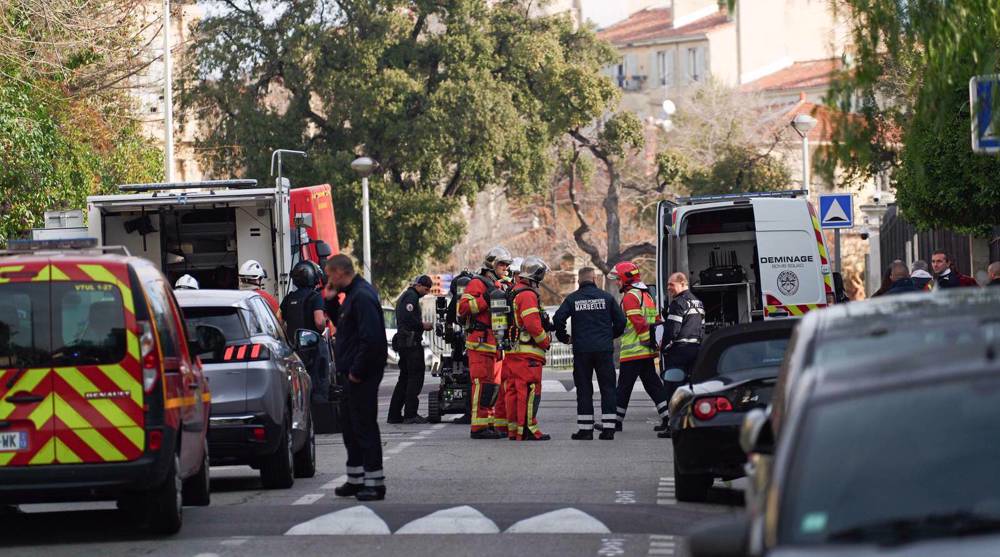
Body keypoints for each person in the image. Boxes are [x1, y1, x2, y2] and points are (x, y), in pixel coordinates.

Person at [324, 255, 388, 501]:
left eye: (330, 274)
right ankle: (356, 478)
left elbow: (370, 339)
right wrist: (330, 304)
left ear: (340, 272)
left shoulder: (361, 296)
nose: (329, 279)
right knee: (350, 427)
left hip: (362, 375)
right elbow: (346, 328)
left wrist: (357, 372)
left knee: (364, 426)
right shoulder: (352, 296)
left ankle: (374, 482)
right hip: (352, 373)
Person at [554, 267, 627, 440]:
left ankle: (585, 430)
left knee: (584, 389)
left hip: (582, 351)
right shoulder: (607, 297)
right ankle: (609, 429)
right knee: (608, 388)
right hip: (603, 349)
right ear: (594, 278)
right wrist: (610, 335)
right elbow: (621, 321)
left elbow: (558, 318)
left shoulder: (572, 299)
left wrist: (564, 337)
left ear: (579, 281)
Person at [457, 246, 512, 439]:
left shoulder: (500, 285)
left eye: (507, 265)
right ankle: (478, 428)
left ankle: (488, 423)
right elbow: (462, 308)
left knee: (493, 386)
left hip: (496, 343)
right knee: (481, 384)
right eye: (502, 264)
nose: (506, 268)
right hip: (480, 343)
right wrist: (485, 299)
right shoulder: (477, 283)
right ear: (492, 264)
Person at [610, 261, 670, 433]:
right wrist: (653, 344)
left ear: (625, 279)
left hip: (634, 352)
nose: (616, 282)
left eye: (618, 279)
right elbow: (656, 319)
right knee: (653, 385)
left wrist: (644, 339)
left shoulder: (630, 296)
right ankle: (667, 417)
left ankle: (615, 421)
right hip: (646, 351)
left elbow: (638, 321)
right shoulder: (647, 295)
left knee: (624, 387)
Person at [504, 256, 552, 441]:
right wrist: (545, 341)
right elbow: (532, 325)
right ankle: (528, 429)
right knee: (530, 391)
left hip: (513, 352)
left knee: (514, 391)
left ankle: (514, 430)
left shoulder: (513, 291)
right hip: (528, 354)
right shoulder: (527, 295)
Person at [657, 272, 705, 438]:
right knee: (690, 388)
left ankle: (673, 426)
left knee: (673, 388)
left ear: (682, 283)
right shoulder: (698, 302)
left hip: (679, 351)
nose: (669, 288)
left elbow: (672, 330)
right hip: (695, 349)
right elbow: (701, 326)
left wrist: (664, 347)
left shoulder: (678, 303)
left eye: (671, 284)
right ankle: (689, 424)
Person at [387, 275, 433, 424]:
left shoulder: (409, 296)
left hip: (406, 342)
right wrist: (423, 325)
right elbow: (408, 319)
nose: (426, 292)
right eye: (425, 289)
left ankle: (394, 414)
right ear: (418, 285)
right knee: (415, 377)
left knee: (405, 378)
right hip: (410, 343)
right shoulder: (411, 297)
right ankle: (410, 414)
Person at [281, 261, 329, 400]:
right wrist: (324, 322)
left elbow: (278, 321)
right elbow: (319, 322)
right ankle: (319, 418)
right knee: (318, 387)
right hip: (314, 350)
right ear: (313, 277)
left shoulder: (288, 298)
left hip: (294, 350)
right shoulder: (315, 297)